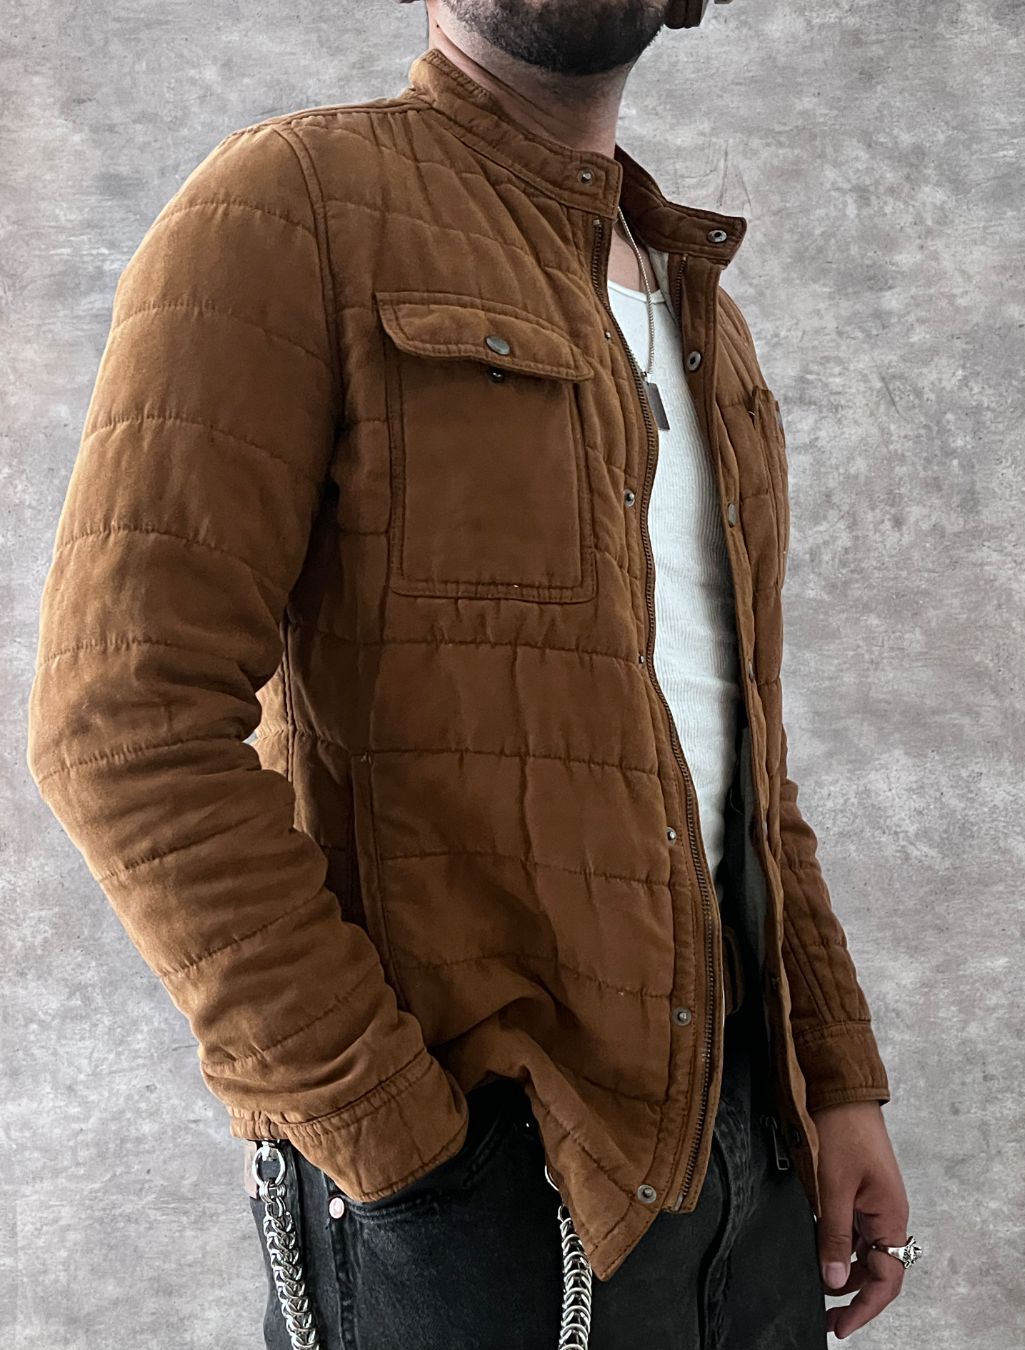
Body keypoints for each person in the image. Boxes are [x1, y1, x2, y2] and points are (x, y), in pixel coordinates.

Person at [27, 1, 919, 1345]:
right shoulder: (290, 208)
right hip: (485, 1183)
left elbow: (743, 754)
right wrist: (400, 1147)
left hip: (757, 1162)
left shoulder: (703, 318)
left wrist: (834, 1076)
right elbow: (122, 725)